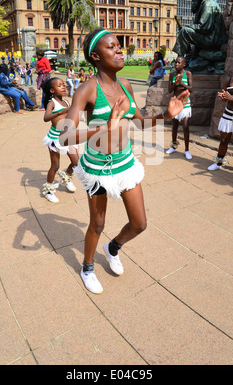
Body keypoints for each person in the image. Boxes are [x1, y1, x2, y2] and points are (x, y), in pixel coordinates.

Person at [59, 28, 190, 294]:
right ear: (95, 56)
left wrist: (166, 114)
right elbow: (65, 137)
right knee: (97, 224)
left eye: (119, 45)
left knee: (139, 223)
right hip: (97, 168)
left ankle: (113, 247)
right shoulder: (86, 90)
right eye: (112, 47)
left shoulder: (127, 85)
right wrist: (103, 128)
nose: (120, 50)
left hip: (125, 163)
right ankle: (87, 267)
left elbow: (140, 123)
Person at [42, 77, 79, 202]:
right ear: (52, 90)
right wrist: (60, 112)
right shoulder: (52, 103)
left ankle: (66, 177)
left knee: (76, 162)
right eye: (60, 85)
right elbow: (46, 118)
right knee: (55, 165)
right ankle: (48, 191)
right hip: (54, 138)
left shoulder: (67, 102)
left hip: (67, 136)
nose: (63, 87)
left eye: (64, 85)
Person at [166, 56, 193, 159]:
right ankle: (173, 146)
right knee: (175, 125)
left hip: (186, 103)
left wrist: (181, 83)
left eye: (179, 62)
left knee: (185, 125)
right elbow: (169, 90)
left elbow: (191, 88)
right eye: (175, 62)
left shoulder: (188, 74)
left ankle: (187, 150)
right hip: (176, 103)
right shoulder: (172, 74)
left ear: (184, 64)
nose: (176, 64)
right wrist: (175, 84)